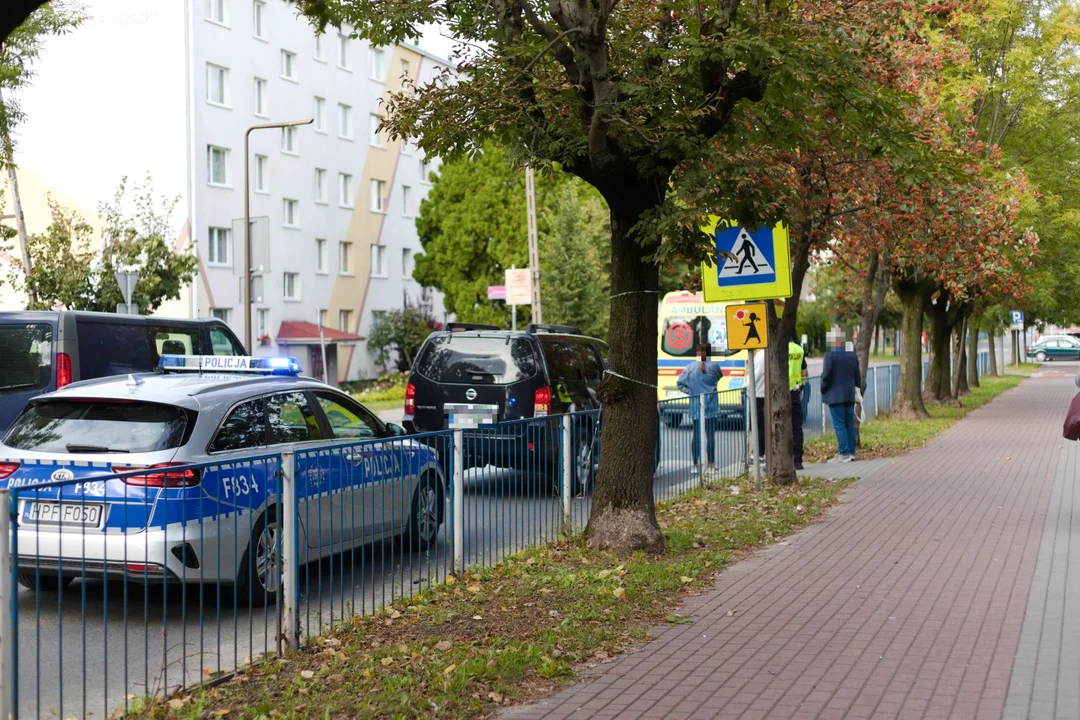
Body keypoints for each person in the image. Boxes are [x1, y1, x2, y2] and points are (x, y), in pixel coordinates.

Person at [677, 345, 724, 475]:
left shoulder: (690, 368)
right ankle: (711, 464)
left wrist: (691, 392)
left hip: (696, 405)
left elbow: (680, 383)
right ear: (709, 353)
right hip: (711, 405)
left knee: (696, 436)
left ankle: (695, 464)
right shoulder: (714, 366)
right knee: (710, 436)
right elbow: (719, 378)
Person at [821, 331, 861, 463]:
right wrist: (857, 391)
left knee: (839, 424)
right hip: (849, 394)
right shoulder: (852, 356)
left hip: (835, 395)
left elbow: (826, 375)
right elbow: (857, 376)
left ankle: (843, 453)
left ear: (833, 342)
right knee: (849, 423)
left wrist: (823, 388)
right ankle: (851, 452)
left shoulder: (829, 355)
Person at [788, 340, 808, 470]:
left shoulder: (777, 347)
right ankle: (797, 460)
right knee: (797, 427)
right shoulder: (798, 349)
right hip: (795, 391)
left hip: (779, 392)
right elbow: (804, 372)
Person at [752, 348, 767, 469]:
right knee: (760, 425)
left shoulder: (761, 355)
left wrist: (747, 387)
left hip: (758, 394)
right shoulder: (762, 354)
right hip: (762, 393)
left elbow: (755, 375)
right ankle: (760, 453)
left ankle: (759, 454)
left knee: (758, 425)